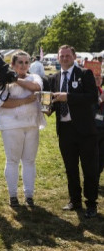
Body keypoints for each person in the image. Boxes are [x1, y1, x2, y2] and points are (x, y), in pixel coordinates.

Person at [48, 45, 99, 218]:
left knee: (89, 168)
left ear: (74, 57)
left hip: (85, 131)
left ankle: (91, 204)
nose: (64, 58)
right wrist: (50, 109)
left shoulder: (85, 74)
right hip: (65, 130)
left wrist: (68, 97)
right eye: (61, 56)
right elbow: (54, 100)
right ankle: (74, 200)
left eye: (67, 55)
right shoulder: (54, 77)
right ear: (57, 58)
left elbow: (93, 97)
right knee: (70, 168)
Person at [0, 51, 46, 208]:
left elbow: (35, 87)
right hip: (11, 125)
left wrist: (16, 80)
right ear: (13, 65)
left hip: (31, 125)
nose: (23, 65)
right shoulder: (3, 82)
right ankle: (13, 195)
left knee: (29, 161)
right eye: (20, 62)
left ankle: (29, 195)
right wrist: (24, 100)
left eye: (26, 62)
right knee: (13, 160)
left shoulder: (35, 77)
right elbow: (3, 103)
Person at [93, 75, 104, 182]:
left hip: (102, 128)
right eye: (96, 78)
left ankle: (97, 176)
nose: (99, 80)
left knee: (101, 157)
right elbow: (90, 108)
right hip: (94, 129)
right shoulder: (89, 92)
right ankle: (93, 180)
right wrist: (100, 99)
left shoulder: (101, 90)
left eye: (100, 78)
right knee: (94, 157)